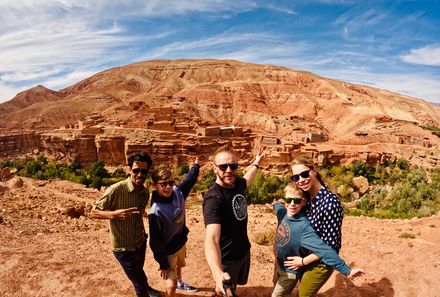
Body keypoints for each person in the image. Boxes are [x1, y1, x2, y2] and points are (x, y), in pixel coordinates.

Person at [272, 184, 365, 297]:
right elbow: (278, 208)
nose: (292, 204)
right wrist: (275, 204)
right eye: (288, 199)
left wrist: (347, 271)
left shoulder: (304, 227)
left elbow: (325, 250)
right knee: (275, 284)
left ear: (304, 202)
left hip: (290, 271)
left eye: (296, 200)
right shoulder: (282, 214)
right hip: (279, 264)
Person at [89, 152, 161, 297]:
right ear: (129, 170)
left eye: (144, 171)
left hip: (140, 242)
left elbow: (140, 212)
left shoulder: (144, 192)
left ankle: (147, 288)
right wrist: (113, 214)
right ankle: (145, 290)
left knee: (139, 272)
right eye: (136, 170)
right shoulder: (116, 190)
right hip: (123, 248)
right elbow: (93, 212)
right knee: (138, 283)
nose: (140, 174)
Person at [203, 144, 265, 297]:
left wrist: (256, 163)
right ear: (214, 168)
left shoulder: (236, 184)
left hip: (242, 251)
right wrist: (218, 273)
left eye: (233, 165)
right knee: (224, 290)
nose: (229, 170)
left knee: (234, 287)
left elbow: (247, 180)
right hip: (227, 259)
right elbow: (211, 238)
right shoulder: (214, 198)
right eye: (223, 167)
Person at [284, 154, 345, 297]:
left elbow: (330, 245)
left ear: (314, 170)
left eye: (304, 174)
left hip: (320, 261)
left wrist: (303, 262)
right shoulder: (306, 198)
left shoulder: (330, 203)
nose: (301, 180)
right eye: (296, 177)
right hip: (304, 257)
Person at [148, 158, 200, 297]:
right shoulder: (156, 212)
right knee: (170, 285)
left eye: (170, 183)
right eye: (163, 184)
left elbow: (189, 180)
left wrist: (196, 166)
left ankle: (180, 282)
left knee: (179, 265)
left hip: (180, 242)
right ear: (154, 185)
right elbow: (155, 242)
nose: (168, 187)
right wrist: (163, 263)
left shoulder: (178, 192)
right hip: (169, 250)